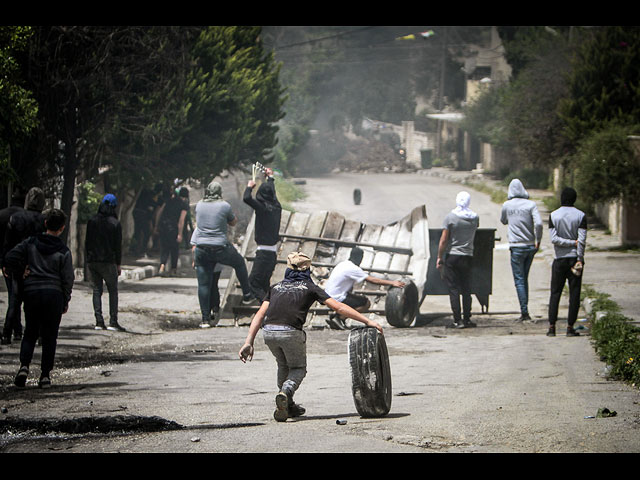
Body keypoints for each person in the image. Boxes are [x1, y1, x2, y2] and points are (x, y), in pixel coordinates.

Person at [238, 251, 384, 422]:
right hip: (290, 332)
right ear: (307, 269)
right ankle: (285, 392)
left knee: (283, 365)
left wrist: (249, 341)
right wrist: (368, 321)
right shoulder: (310, 287)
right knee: (298, 368)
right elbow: (339, 308)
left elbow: (260, 315)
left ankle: (288, 404)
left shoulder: (275, 287)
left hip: (268, 332)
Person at [4, 208, 74, 389]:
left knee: (30, 332)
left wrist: (22, 270)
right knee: (50, 336)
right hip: (54, 296)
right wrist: (65, 299)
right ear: (62, 228)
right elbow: (68, 278)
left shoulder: (30, 243)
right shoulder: (64, 251)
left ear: (45, 224)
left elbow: (10, 257)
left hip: (32, 294)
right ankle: (44, 376)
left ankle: (24, 367)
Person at [191, 180, 253, 328]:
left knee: (204, 284)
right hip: (220, 247)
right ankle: (247, 295)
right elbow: (232, 222)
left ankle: (205, 319)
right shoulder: (224, 206)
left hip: (202, 248)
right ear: (219, 192)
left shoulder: (199, 205)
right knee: (239, 262)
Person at [1, 187, 46, 344]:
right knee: (38, 301)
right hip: (38, 266)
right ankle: (39, 334)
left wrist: (6, 263)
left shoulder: (16, 218)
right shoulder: (43, 220)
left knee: (15, 299)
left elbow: (8, 244)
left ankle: (7, 333)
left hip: (18, 265)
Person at [323, 247, 405, 330]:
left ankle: (337, 316)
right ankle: (340, 318)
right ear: (359, 258)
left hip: (327, 296)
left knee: (354, 298)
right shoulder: (353, 268)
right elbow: (373, 280)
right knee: (365, 303)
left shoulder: (342, 264)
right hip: (336, 297)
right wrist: (392, 283)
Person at [501, 179, 543, 322]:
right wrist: (538, 240)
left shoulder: (507, 205)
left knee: (519, 280)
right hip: (530, 246)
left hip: (516, 246)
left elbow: (503, 220)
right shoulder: (531, 205)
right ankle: (525, 308)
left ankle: (524, 312)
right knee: (525, 278)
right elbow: (538, 223)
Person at [547, 187, 587, 337]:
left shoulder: (553, 215)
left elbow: (554, 239)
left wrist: (568, 243)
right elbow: (581, 241)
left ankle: (552, 327)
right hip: (574, 260)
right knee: (574, 294)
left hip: (559, 260)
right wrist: (580, 259)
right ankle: (570, 327)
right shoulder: (581, 216)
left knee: (555, 293)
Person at [436, 191, 479, 329]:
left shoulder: (450, 218)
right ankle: (467, 318)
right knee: (466, 289)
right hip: (468, 257)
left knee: (454, 289)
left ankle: (457, 320)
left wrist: (439, 257)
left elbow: (443, 240)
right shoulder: (475, 218)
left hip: (453, 257)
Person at [85, 194, 124, 331]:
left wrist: (88, 260)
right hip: (108, 262)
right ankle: (113, 321)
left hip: (93, 261)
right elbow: (117, 246)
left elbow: (87, 242)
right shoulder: (115, 224)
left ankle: (99, 321)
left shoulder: (92, 221)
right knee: (113, 291)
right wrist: (118, 264)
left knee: (97, 290)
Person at [243, 167, 281, 303]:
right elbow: (272, 193)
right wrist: (270, 178)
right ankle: (269, 314)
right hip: (272, 254)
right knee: (264, 285)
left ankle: (268, 309)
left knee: (253, 283)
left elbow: (247, 198)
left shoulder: (262, 208)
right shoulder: (277, 207)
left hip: (263, 254)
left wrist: (249, 187)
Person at [0, 188, 26, 344]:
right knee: (16, 296)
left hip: (5, 261)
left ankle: (15, 329)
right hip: (20, 261)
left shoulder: (2, 215)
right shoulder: (24, 217)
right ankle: (13, 329)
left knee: (13, 295)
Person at [155, 186, 188, 276]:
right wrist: (180, 234)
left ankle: (162, 266)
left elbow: (159, 213)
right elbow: (181, 220)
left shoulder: (168, 201)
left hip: (163, 226)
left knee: (164, 248)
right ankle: (173, 270)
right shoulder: (183, 204)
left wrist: (156, 226)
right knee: (174, 249)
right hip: (173, 228)